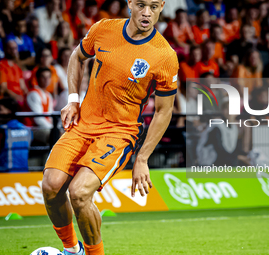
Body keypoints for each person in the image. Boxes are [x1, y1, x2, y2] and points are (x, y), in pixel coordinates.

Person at [41, 0, 179, 254]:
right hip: (83, 124)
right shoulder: (103, 28)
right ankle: (72, 250)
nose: (146, 12)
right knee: (50, 186)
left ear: (161, 8)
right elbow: (77, 56)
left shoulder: (165, 56)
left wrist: (142, 158)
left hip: (119, 133)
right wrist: (73, 100)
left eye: (153, 7)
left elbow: (164, 111)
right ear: (129, 4)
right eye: (140, 5)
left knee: (79, 193)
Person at [0, 97, 32, 172]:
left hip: (3, 173)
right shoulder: (27, 130)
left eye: (0, 109)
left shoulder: (1, 131)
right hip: (24, 172)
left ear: (9, 111)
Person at [25, 67, 54, 144]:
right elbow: (38, 119)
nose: (46, 79)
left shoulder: (48, 95)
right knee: (55, 135)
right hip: (33, 129)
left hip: (45, 127)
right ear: (37, 78)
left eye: (48, 77)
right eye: (43, 77)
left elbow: (50, 116)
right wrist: (53, 129)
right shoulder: (33, 94)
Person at [0, 40, 28, 107]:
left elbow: (23, 87)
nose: (13, 50)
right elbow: (3, 88)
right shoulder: (2, 65)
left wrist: (28, 96)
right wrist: (16, 97)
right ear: (5, 49)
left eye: (15, 48)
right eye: (11, 48)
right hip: (8, 100)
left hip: (20, 99)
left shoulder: (17, 67)